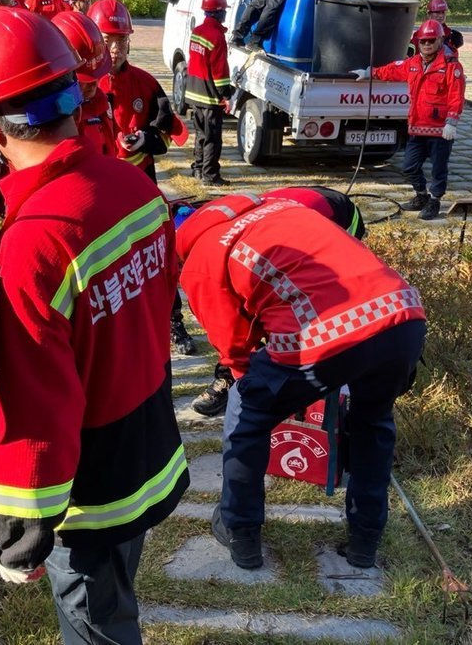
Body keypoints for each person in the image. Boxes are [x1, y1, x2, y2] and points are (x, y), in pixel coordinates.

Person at [0, 6, 189, 643]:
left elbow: (36, 411)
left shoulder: (35, 242)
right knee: (118, 590)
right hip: (147, 444)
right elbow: (155, 297)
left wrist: (18, 535)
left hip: (92, 490)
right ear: (73, 95)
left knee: (98, 623)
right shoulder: (131, 185)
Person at [175, 192, 425, 570]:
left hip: (328, 336)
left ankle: (239, 530)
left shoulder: (200, 259)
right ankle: (364, 542)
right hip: (403, 315)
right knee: (373, 421)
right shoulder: (284, 208)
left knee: (246, 412)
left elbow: (234, 351)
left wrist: (265, 387)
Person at [189, 186, 366, 417]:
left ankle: (334, 389)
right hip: (293, 211)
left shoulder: (213, 251)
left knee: (314, 307)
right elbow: (230, 324)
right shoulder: (218, 242)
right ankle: (230, 378)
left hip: (336, 211)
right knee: (255, 306)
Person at [88, 0, 198, 356]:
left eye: (120, 41)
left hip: (141, 192)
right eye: (107, 41)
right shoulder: (78, 88)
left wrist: (144, 140)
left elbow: (168, 133)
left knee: (158, 258)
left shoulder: (147, 85)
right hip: (97, 198)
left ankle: (174, 325)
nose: (115, 49)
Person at [354, 18, 466, 220]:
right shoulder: (413, 63)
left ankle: (434, 201)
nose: (426, 44)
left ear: (440, 41)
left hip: (440, 130)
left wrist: (452, 122)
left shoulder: (451, 66)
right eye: (423, 41)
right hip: (417, 128)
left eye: (431, 40)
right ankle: (421, 195)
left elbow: (456, 95)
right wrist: (369, 73)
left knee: (439, 169)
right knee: (409, 166)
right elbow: (392, 70)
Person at [51, 10, 116, 157]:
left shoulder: (100, 103)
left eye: (96, 76)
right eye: (84, 80)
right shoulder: (54, 118)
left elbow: (110, 152)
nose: (93, 84)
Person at [186, 0, 234, 186]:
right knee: (213, 138)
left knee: (200, 134)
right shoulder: (216, 36)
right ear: (219, 12)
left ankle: (198, 169)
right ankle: (210, 175)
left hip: (194, 92)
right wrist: (227, 94)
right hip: (208, 96)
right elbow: (219, 71)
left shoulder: (197, 31)